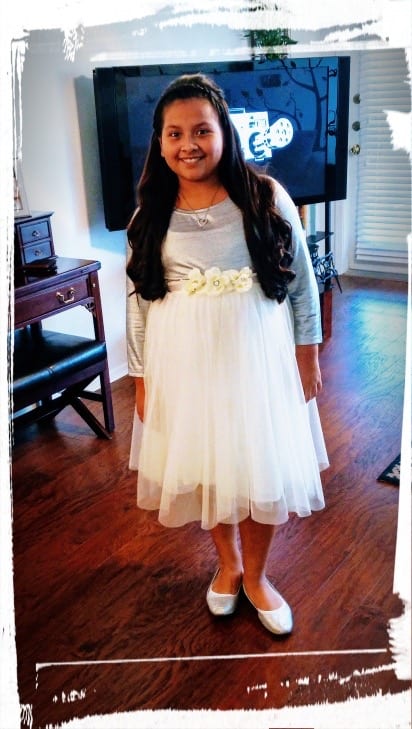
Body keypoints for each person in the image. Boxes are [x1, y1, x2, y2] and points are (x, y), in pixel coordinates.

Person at [126, 73, 328, 636]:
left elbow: (303, 284)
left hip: (255, 355)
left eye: (201, 130)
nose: (188, 144)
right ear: (160, 142)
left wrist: (307, 355)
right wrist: (141, 378)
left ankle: (258, 576)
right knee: (209, 462)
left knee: (258, 461)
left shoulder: (264, 196)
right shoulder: (149, 214)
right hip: (184, 362)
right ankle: (229, 564)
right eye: (174, 133)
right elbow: (137, 303)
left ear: (224, 133)